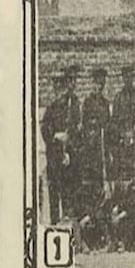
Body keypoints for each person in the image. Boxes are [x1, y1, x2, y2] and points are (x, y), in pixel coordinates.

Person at [43, 70, 80, 222]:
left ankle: (67, 221)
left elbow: (75, 128)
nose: (58, 89)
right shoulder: (50, 108)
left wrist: (68, 150)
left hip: (67, 153)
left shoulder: (70, 107)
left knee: (67, 188)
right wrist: (54, 136)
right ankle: (54, 221)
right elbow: (45, 128)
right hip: (53, 154)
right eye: (55, 86)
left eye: (61, 85)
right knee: (53, 188)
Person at [79, 67, 111, 217]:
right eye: (97, 83)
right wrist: (91, 130)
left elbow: (108, 125)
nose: (99, 86)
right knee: (89, 183)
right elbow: (84, 125)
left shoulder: (105, 103)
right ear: (93, 83)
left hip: (101, 148)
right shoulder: (87, 102)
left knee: (100, 184)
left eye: (102, 84)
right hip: (89, 149)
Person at [111, 65, 135, 182]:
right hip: (122, 142)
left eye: (130, 77)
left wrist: (134, 133)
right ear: (123, 79)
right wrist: (123, 134)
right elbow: (114, 121)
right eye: (126, 77)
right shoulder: (118, 98)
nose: (128, 80)